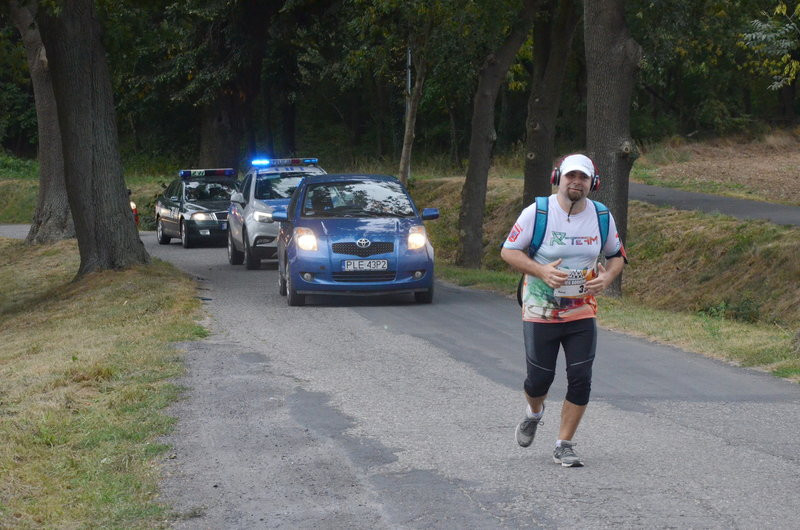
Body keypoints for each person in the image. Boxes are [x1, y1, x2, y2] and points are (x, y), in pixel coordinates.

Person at [500, 153, 627, 467]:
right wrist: (541, 271)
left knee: (581, 377)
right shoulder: (538, 212)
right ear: (558, 178)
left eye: (583, 178)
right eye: (571, 176)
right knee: (538, 381)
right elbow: (509, 251)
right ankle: (534, 413)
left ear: (592, 183)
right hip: (540, 309)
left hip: (582, 310)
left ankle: (564, 443)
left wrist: (607, 277)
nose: (576, 182)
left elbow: (616, 255)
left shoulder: (601, 215)